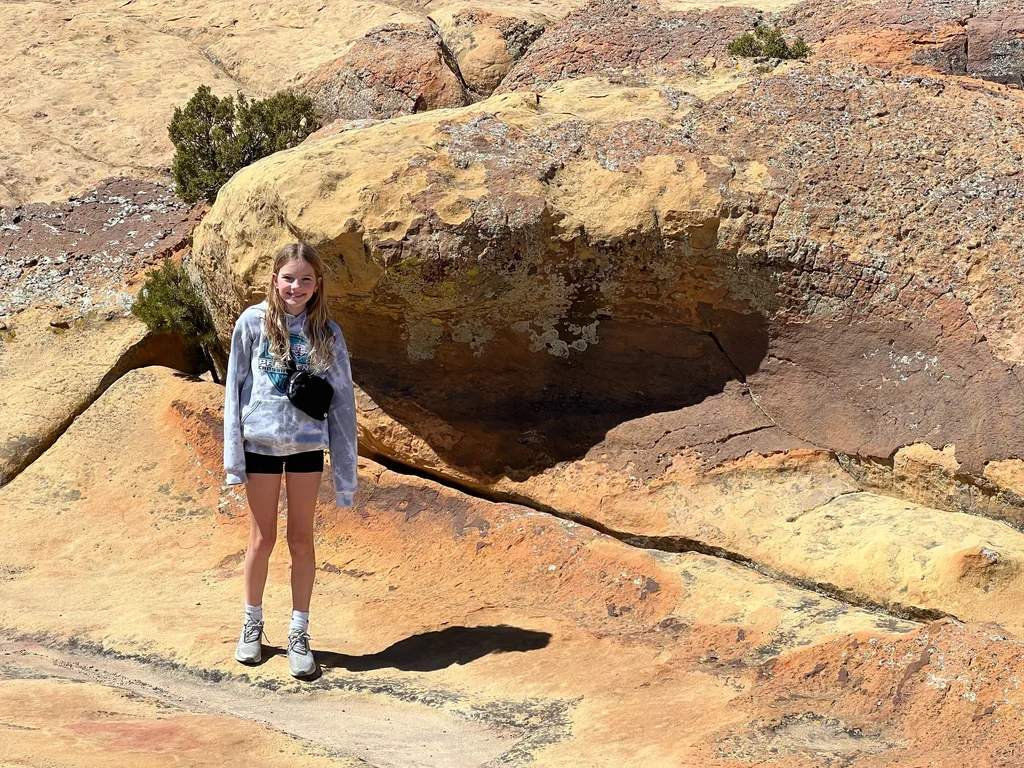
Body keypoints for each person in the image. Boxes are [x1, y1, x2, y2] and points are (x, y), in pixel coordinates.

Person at [222, 242, 357, 678]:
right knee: (262, 540)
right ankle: (252, 625)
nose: (295, 287)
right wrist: (233, 460)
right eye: (288, 278)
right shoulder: (252, 323)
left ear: (317, 284)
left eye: (304, 279)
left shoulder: (327, 333)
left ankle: (299, 633)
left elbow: (342, 404)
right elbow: (234, 391)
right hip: (260, 446)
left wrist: (345, 476)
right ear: (274, 280)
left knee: (301, 540)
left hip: (305, 448)